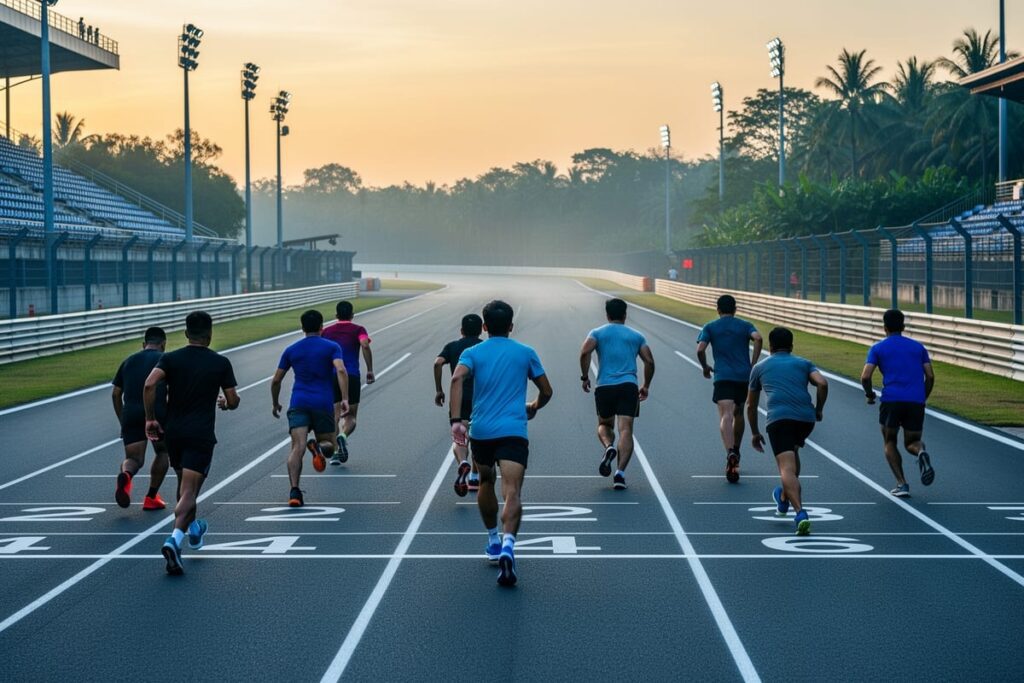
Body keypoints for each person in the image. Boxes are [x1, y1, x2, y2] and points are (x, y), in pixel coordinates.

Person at [450, 300, 552, 587]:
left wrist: (456, 420)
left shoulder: (472, 352)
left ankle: (493, 540)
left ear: (484, 327)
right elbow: (547, 390)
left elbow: (456, 378)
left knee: (485, 481)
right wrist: (534, 406)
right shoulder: (526, 352)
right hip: (513, 431)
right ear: (511, 326)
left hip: (481, 431)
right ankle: (509, 544)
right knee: (512, 490)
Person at [144, 311, 239, 575]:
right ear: (210, 334)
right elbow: (233, 400)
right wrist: (226, 403)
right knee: (189, 491)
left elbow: (149, 385)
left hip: (173, 433)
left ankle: (194, 530)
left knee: (183, 485)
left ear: (186, 333)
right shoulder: (220, 362)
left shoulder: (170, 358)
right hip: (200, 434)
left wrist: (150, 419)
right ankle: (174, 540)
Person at [746, 327, 828, 536]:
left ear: (770, 346)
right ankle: (783, 498)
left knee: (786, 468)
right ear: (791, 346)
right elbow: (822, 383)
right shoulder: (804, 363)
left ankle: (800, 513)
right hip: (806, 420)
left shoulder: (759, 367)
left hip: (780, 420)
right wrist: (819, 409)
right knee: (792, 454)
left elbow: (750, 405)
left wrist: (755, 432)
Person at [271, 310, 350, 507]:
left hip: (299, 403)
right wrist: (345, 398)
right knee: (330, 447)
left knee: (297, 447)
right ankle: (318, 448)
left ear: (302, 327)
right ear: (322, 326)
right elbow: (341, 369)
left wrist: (275, 402)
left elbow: (276, 380)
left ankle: (294, 491)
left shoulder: (291, 349)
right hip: (322, 404)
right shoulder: (332, 347)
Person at [579, 298, 655, 490]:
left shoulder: (597, 333)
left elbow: (585, 352)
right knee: (626, 430)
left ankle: (608, 446)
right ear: (625, 315)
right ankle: (620, 474)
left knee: (604, 425)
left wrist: (585, 377)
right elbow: (649, 361)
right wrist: (646, 385)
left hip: (605, 386)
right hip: (628, 386)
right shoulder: (637, 336)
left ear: (607, 315)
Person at [860, 309, 935, 498]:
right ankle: (921, 452)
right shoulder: (918, 347)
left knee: (890, 441)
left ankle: (902, 484)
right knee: (912, 442)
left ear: (884, 327)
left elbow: (866, 376)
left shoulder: (877, 348)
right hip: (915, 401)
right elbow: (930, 376)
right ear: (903, 326)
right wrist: (922, 397)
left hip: (891, 401)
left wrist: (869, 394)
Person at [696, 294, 763, 483]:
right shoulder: (745, 325)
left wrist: (705, 367)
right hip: (743, 376)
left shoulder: (710, 327)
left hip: (723, 376)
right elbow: (758, 338)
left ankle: (730, 452)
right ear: (735, 309)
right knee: (739, 413)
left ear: (718, 309)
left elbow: (700, 350)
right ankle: (737, 451)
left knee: (726, 415)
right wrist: (753, 364)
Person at [111, 327, 171, 511]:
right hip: (156, 413)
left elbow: (115, 394)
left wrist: (123, 421)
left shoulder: (128, 361)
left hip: (131, 414)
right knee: (163, 452)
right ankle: (151, 497)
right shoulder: (165, 360)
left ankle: (127, 475)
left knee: (133, 459)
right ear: (163, 344)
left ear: (144, 344)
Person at [434, 313, 484, 496]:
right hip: (480, 398)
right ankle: (474, 477)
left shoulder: (453, 346)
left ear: (461, 330)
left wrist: (439, 390)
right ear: (481, 330)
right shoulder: (483, 347)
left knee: (460, 436)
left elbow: (437, 363)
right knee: (478, 439)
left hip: (459, 397)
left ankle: (463, 462)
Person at [322, 300, 373, 464]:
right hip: (351, 376)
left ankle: (336, 452)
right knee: (351, 416)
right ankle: (343, 436)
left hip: (332, 376)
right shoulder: (359, 329)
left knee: (335, 416)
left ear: (336, 315)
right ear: (352, 315)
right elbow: (365, 344)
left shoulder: (326, 331)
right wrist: (370, 369)